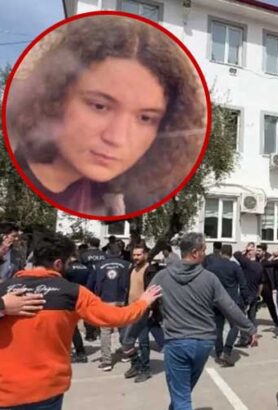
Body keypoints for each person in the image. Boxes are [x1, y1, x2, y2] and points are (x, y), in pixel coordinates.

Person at [6, 15, 206, 216]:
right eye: (100, 106)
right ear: (56, 94)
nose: (116, 138)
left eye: (145, 118)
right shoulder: (15, 186)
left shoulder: (114, 198)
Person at [0, 232, 161, 410]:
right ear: (58, 264)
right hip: (44, 390)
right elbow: (116, 317)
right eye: (69, 263)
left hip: (5, 391)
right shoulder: (72, 292)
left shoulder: (4, 290)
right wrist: (143, 302)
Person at [149, 233, 257, 410]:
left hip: (177, 343)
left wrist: (128, 337)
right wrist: (250, 329)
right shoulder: (209, 278)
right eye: (204, 250)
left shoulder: (162, 277)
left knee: (181, 395)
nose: (206, 254)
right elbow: (229, 307)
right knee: (182, 392)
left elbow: (143, 304)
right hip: (203, 344)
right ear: (195, 252)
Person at [122, 243, 162, 383]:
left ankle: (145, 370)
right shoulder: (132, 269)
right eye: (134, 255)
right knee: (125, 340)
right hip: (131, 310)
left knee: (143, 342)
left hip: (144, 311)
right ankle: (136, 364)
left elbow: (155, 291)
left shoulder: (150, 270)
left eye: (138, 254)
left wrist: (151, 308)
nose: (136, 257)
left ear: (145, 254)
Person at [89, 243, 131, 371]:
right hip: (121, 300)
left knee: (105, 331)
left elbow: (90, 284)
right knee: (123, 327)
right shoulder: (127, 265)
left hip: (105, 300)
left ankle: (106, 361)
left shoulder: (98, 266)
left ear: (107, 252)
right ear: (120, 253)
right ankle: (126, 353)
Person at [207, 244, 250, 366]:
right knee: (236, 325)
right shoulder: (235, 266)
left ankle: (219, 353)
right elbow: (243, 284)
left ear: (221, 253)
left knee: (218, 328)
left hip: (216, 301)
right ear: (231, 254)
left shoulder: (212, 266)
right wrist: (246, 300)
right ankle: (227, 350)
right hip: (231, 301)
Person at [234, 245, 264, 347]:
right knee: (252, 317)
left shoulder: (247, 263)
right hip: (254, 295)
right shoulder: (259, 266)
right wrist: (258, 294)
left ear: (250, 254)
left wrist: (246, 249)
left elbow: (236, 254)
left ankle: (244, 339)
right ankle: (253, 338)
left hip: (245, 295)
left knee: (241, 317)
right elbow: (261, 284)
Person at [64, 254, 92, 363]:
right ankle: (90, 335)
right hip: (83, 295)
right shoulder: (85, 267)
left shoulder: (68, 269)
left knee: (72, 326)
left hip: (71, 297)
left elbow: (64, 283)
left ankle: (80, 352)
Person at [79, 237, 107, 341]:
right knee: (100, 307)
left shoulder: (84, 255)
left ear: (90, 244)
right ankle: (100, 330)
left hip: (88, 284)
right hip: (102, 284)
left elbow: (81, 269)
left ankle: (90, 334)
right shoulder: (104, 255)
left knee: (88, 308)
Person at [256, 243, 278, 328]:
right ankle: (251, 319)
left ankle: (276, 321)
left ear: (264, 251)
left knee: (270, 303)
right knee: (253, 301)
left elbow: (270, 266)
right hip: (257, 283)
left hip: (266, 284)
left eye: (259, 251)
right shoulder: (256, 258)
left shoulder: (269, 257)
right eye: (257, 250)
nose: (257, 252)